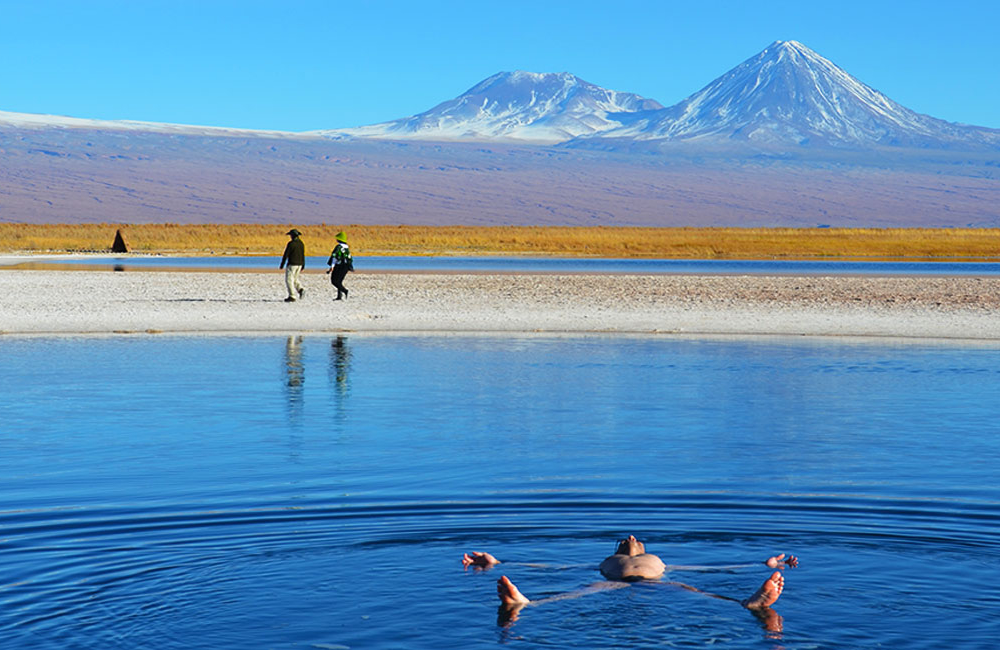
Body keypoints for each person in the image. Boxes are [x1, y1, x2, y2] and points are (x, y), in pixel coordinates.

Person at [462, 535, 798, 629]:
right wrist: (500, 563)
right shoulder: (604, 564)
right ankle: (527, 604)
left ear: (644, 548)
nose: (630, 537)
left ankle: (749, 604)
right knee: (579, 591)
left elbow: (708, 568)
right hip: (612, 585)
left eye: (634, 539)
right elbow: (556, 566)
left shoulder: (662, 562)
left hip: (656, 583)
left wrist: (759, 563)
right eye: (624, 540)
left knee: (692, 589)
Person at [279, 229, 306, 302]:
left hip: (292, 264)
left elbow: (286, 254)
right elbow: (302, 254)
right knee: (295, 279)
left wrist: (282, 264)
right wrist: (303, 264)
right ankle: (300, 289)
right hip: (299, 264)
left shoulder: (291, 244)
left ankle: (292, 296)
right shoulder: (301, 243)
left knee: (289, 280)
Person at [325, 231, 353, 300]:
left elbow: (334, 257)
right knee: (339, 281)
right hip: (346, 266)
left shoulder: (338, 247)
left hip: (339, 266)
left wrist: (332, 267)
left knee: (334, 281)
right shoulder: (347, 248)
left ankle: (345, 291)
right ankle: (339, 296)